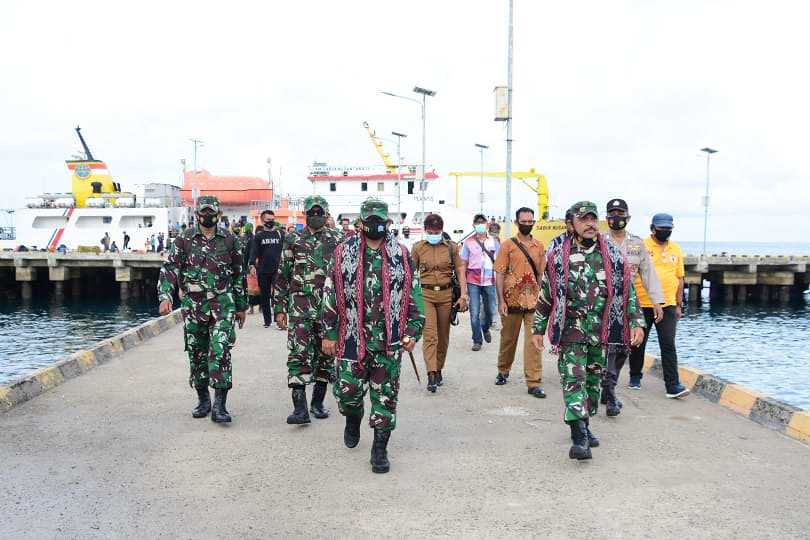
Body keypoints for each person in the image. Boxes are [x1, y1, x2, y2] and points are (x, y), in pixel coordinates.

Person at [531, 201, 646, 460]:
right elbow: (547, 293)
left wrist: (636, 321)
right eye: (584, 219)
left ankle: (585, 421)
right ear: (571, 224)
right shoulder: (557, 255)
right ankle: (578, 435)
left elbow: (627, 291)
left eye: (593, 219)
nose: (590, 223)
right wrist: (538, 328)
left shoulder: (613, 255)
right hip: (570, 329)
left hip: (600, 331)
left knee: (593, 383)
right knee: (573, 381)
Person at [321, 197, 424, 474]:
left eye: (381, 220)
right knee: (349, 394)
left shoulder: (401, 253)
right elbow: (330, 292)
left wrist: (414, 329)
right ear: (361, 223)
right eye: (371, 221)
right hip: (351, 337)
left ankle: (379, 449)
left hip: (388, 339)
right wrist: (329, 332)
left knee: (385, 397)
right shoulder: (343, 253)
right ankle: (352, 418)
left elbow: (413, 292)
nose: (376, 225)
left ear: (387, 223)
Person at [157, 196, 247, 423]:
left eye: (211, 212)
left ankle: (220, 405)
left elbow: (239, 274)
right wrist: (165, 296)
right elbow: (170, 268)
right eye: (203, 212)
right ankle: (203, 399)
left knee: (220, 349)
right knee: (197, 353)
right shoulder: (184, 239)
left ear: (218, 215)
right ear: (197, 215)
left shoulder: (229, 240)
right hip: (194, 306)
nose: (207, 216)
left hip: (222, 306)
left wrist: (241, 306)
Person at [273, 196, 342, 424]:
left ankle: (318, 402)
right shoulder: (293, 239)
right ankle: (300, 408)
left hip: (329, 309)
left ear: (326, 212)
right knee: (298, 353)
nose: (315, 215)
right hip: (300, 307)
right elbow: (283, 275)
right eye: (311, 212)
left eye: (319, 211)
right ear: (305, 214)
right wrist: (279, 308)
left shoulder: (338, 239)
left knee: (326, 356)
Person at [600, 198, 665, 416]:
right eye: (612, 213)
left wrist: (657, 301)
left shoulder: (637, 244)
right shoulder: (598, 241)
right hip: (602, 302)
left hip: (628, 302)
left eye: (620, 213)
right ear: (607, 217)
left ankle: (607, 388)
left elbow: (648, 273)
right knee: (608, 349)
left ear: (627, 217)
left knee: (623, 349)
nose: (616, 217)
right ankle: (609, 395)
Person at [627, 213, 690, 398]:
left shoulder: (676, 249)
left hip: (668, 304)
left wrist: (679, 304)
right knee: (639, 342)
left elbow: (680, 277)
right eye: (661, 228)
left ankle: (673, 386)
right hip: (643, 302)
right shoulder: (642, 245)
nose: (665, 231)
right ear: (653, 228)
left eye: (668, 229)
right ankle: (635, 376)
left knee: (668, 344)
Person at [493, 207, 546, 398]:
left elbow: (540, 274)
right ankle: (503, 369)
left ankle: (534, 382)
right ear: (516, 223)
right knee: (508, 339)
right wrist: (501, 301)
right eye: (523, 222)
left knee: (534, 342)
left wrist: (541, 298)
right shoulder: (507, 246)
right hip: (511, 300)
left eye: (530, 222)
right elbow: (499, 272)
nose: (527, 225)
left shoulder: (539, 247)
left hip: (533, 301)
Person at [411, 214, 468, 392]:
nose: (433, 234)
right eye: (430, 232)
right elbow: (411, 274)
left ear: (442, 231)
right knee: (430, 335)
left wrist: (464, 295)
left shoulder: (452, 247)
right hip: (426, 295)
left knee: (443, 337)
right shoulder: (418, 248)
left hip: (446, 295)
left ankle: (439, 368)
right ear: (425, 230)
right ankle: (431, 373)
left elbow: (460, 269)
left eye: (436, 232)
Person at [460, 214, 499, 351]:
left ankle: (485, 327)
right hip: (473, 281)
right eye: (478, 223)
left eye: (483, 222)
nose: (480, 225)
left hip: (490, 280)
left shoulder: (494, 242)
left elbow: (500, 263)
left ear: (487, 225)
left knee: (490, 311)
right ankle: (477, 340)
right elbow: (463, 264)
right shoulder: (468, 242)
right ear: (473, 225)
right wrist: (463, 287)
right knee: (474, 312)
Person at [250, 211, 285, 328]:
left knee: (278, 295)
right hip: (263, 270)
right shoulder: (259, 236)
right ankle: (267, 320)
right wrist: (252, 265)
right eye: (268, 220)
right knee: (264, 296)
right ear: (262, 220)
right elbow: (254, 252)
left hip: (277, 270)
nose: (271, 222)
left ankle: (279, 319)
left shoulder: (280, 234)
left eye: (272, 219)